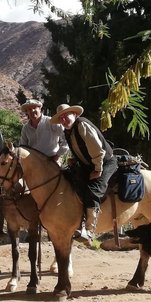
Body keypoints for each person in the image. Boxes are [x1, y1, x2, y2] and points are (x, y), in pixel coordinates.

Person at [51, 103, 117, 241]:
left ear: (74, 114)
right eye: (61, 118)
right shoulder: (68, 131)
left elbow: (97, 149)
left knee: (93, 190)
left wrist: (98, 169)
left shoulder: (82, 125)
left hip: (104, 163)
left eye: (66, 116)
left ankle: (90, 230)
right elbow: (80, 149)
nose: (63, 119)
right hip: (88, 165)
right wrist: (74, 160)